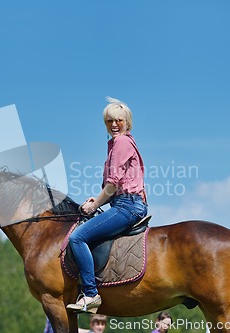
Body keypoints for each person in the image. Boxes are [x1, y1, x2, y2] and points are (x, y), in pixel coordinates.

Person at [67, 97, 148, 313]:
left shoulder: (121, 142)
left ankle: (91, 294)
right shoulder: (122, 143)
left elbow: (113, 184)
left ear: (127, 122)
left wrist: (94, 206)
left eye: (118, 120)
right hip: (127, 203)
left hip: (126, 206)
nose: (113, 125)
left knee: (77, 237)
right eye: (109, 121)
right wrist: (97, 199)